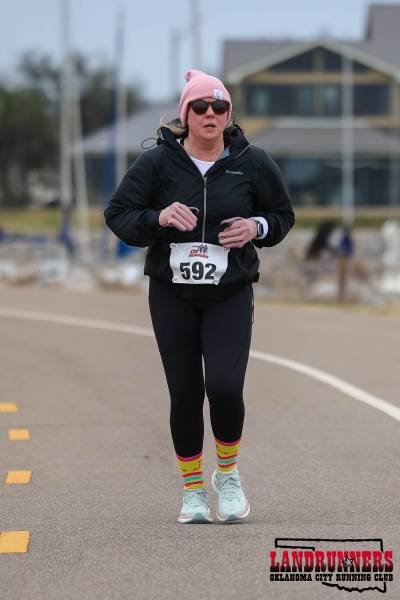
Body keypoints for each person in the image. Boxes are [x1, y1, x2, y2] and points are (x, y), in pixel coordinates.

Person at [104, 69, 295, 524]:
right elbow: (119, 214)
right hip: (172, 295)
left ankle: (227, 476)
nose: (211, 114)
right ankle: (192, 490)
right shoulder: (157, 163)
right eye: (201, 106)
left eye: (219, 106)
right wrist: (157, 219)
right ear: (185, 114)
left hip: (230, 292)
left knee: (225, 388)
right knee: (186, 392)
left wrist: (255, 227)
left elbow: (282, 215)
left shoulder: (252, 161)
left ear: (229, 114)